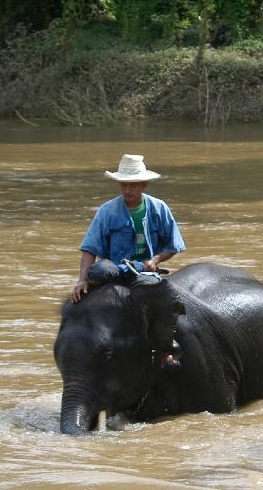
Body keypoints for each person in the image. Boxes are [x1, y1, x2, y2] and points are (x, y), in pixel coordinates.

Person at [70, 153, 187, 368]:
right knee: (99, 272)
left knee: (163, 297)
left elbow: (173, 245)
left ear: (143, 184)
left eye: (132, 186)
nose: (127, 191)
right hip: (113, 268)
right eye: (123, 185)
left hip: (143, 272)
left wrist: (156, 259)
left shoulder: (159, 208)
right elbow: (90, 248)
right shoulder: (107, 211)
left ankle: (166, 351)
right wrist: (81, 280)